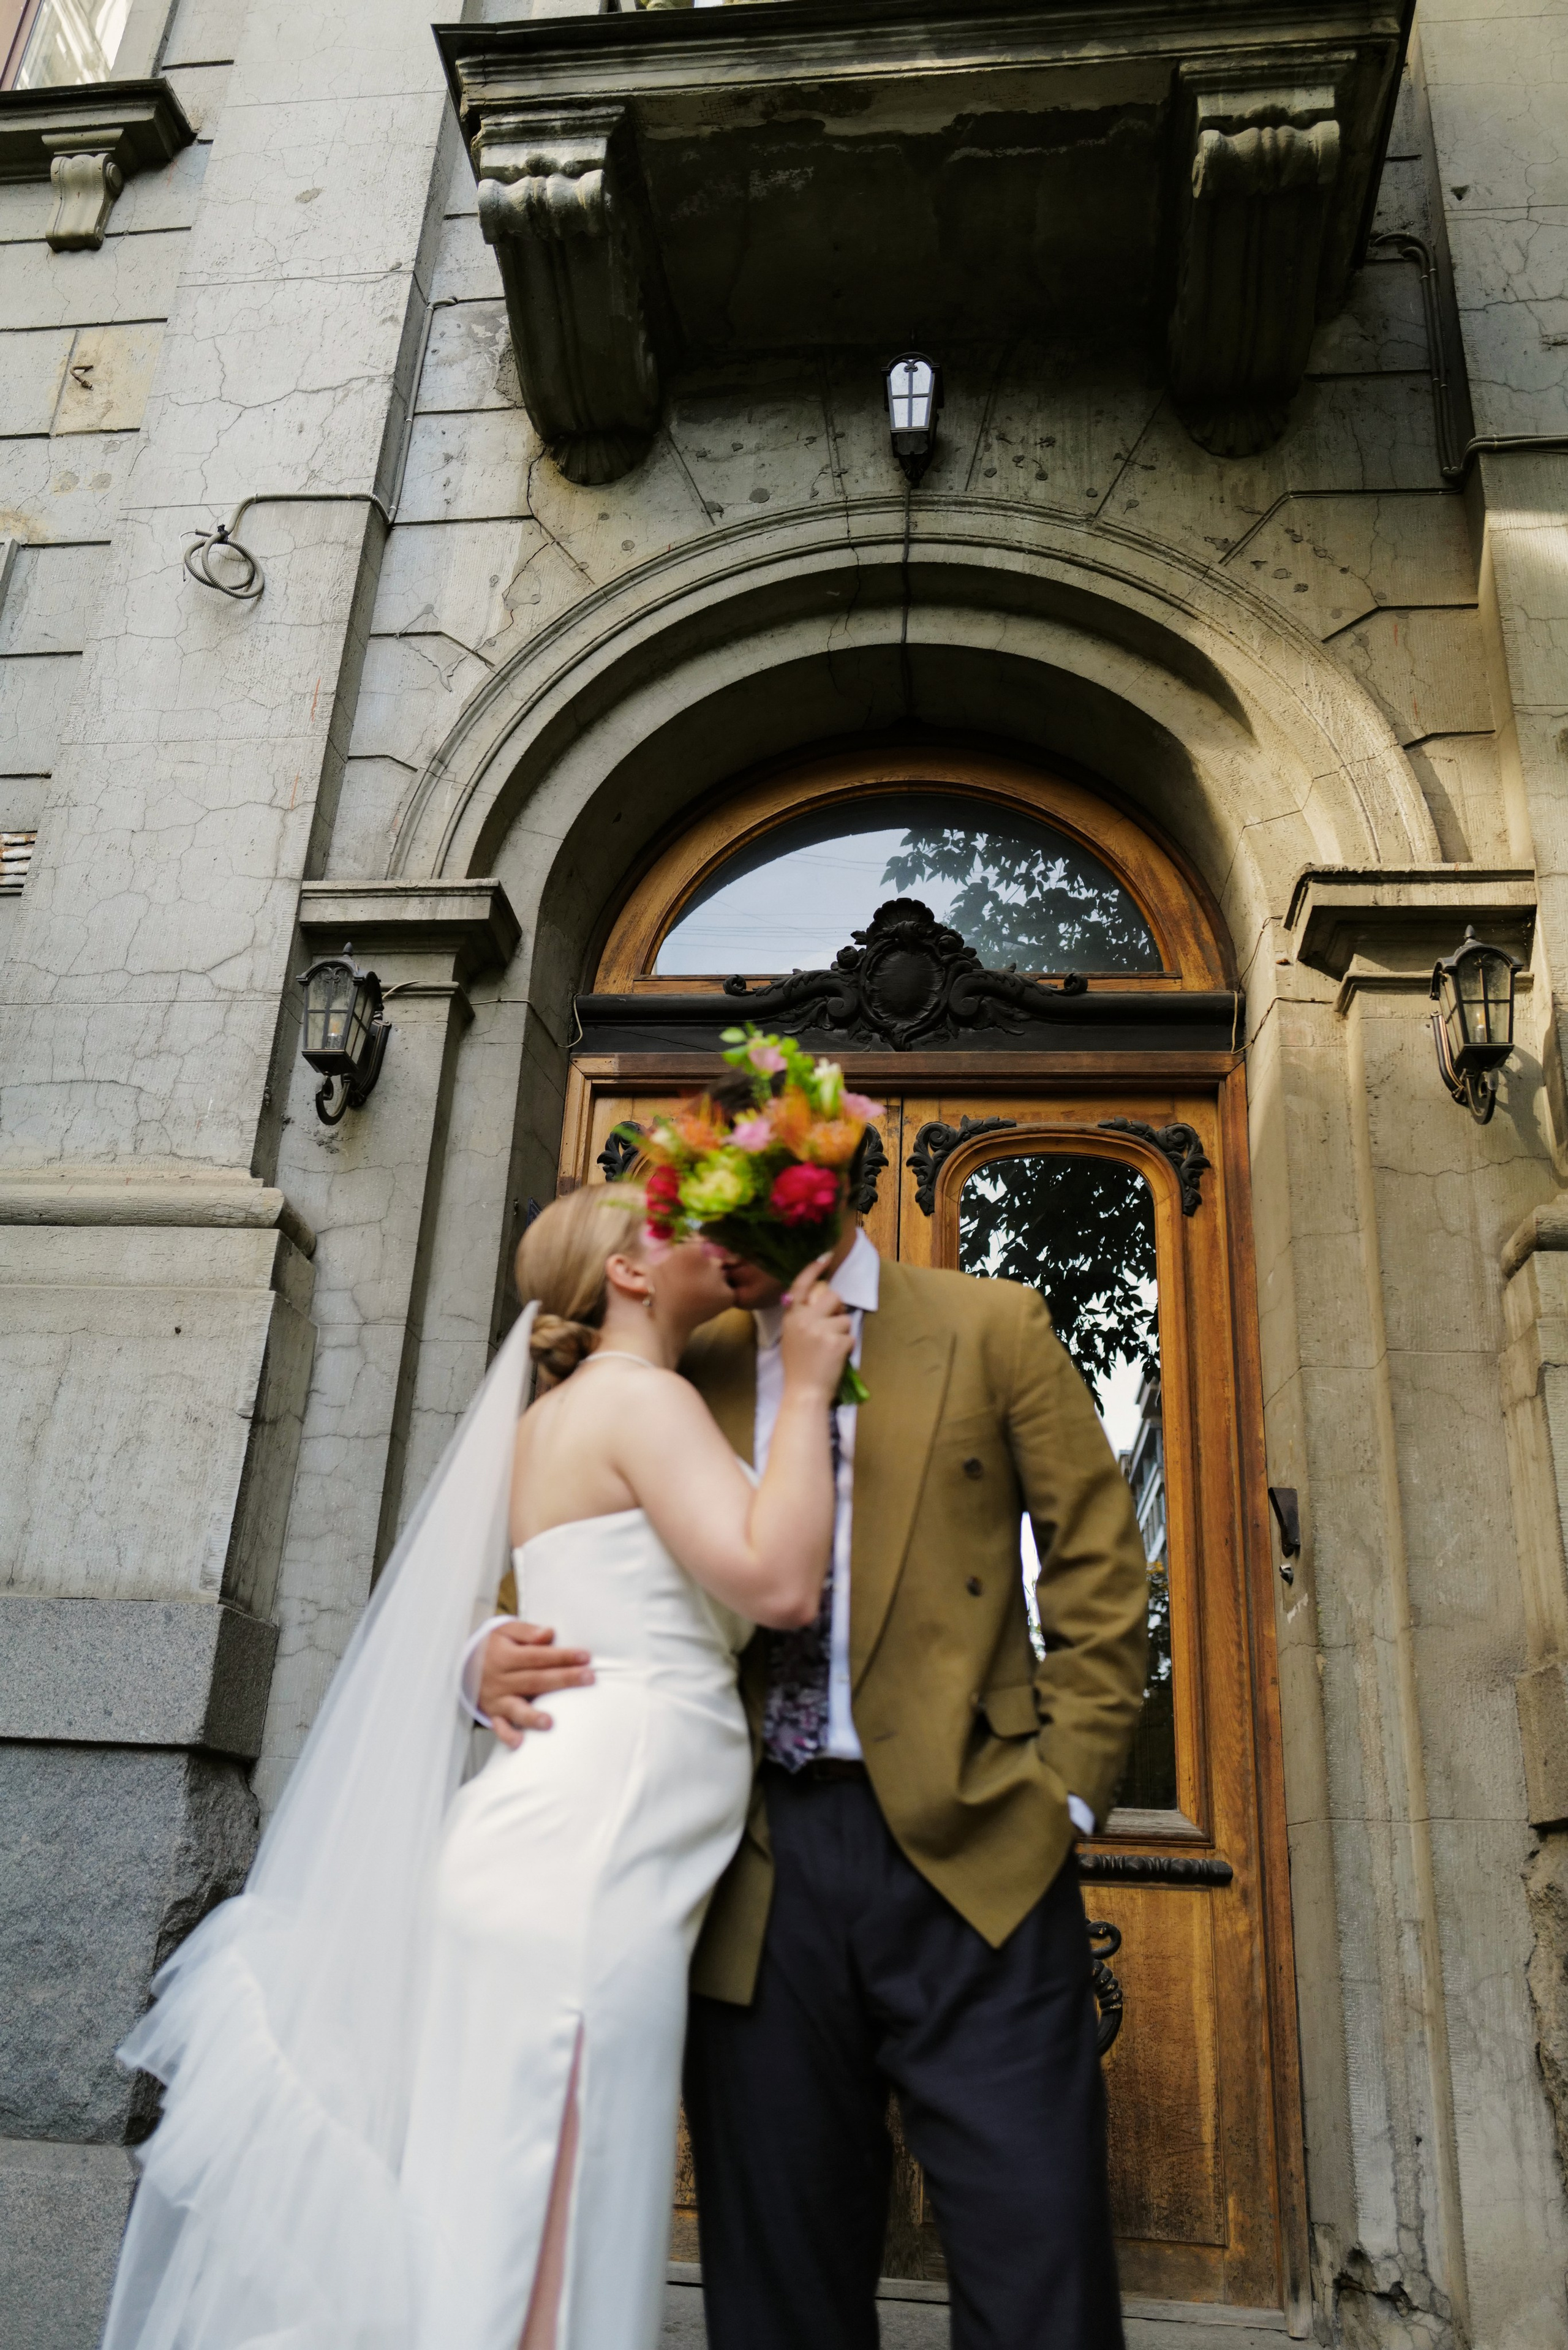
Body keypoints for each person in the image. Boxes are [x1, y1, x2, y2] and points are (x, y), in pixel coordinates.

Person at [99, 1186, 853, 2350]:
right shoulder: (640, 1398)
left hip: (549, 1841)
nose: (707, 1227)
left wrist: (473, 1664)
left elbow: (575, 1606)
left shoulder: (553, 1420)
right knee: (558, 2203)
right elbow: (779, 1584)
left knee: (498, 2211)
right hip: (590, 1861)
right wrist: (804, 1388)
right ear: (630, 1277)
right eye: (668, 1222)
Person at [478, 1191, 1150, 2350]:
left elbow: (1098, 1564)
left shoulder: (993, 1323)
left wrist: (1067, 1794)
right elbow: (548, 1559)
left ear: (837, 1175)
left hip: (981, 1848)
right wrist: (477, 1656)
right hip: (751, 1868)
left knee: (1040, 2259)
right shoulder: (687, 1360)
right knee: (778, 2282)